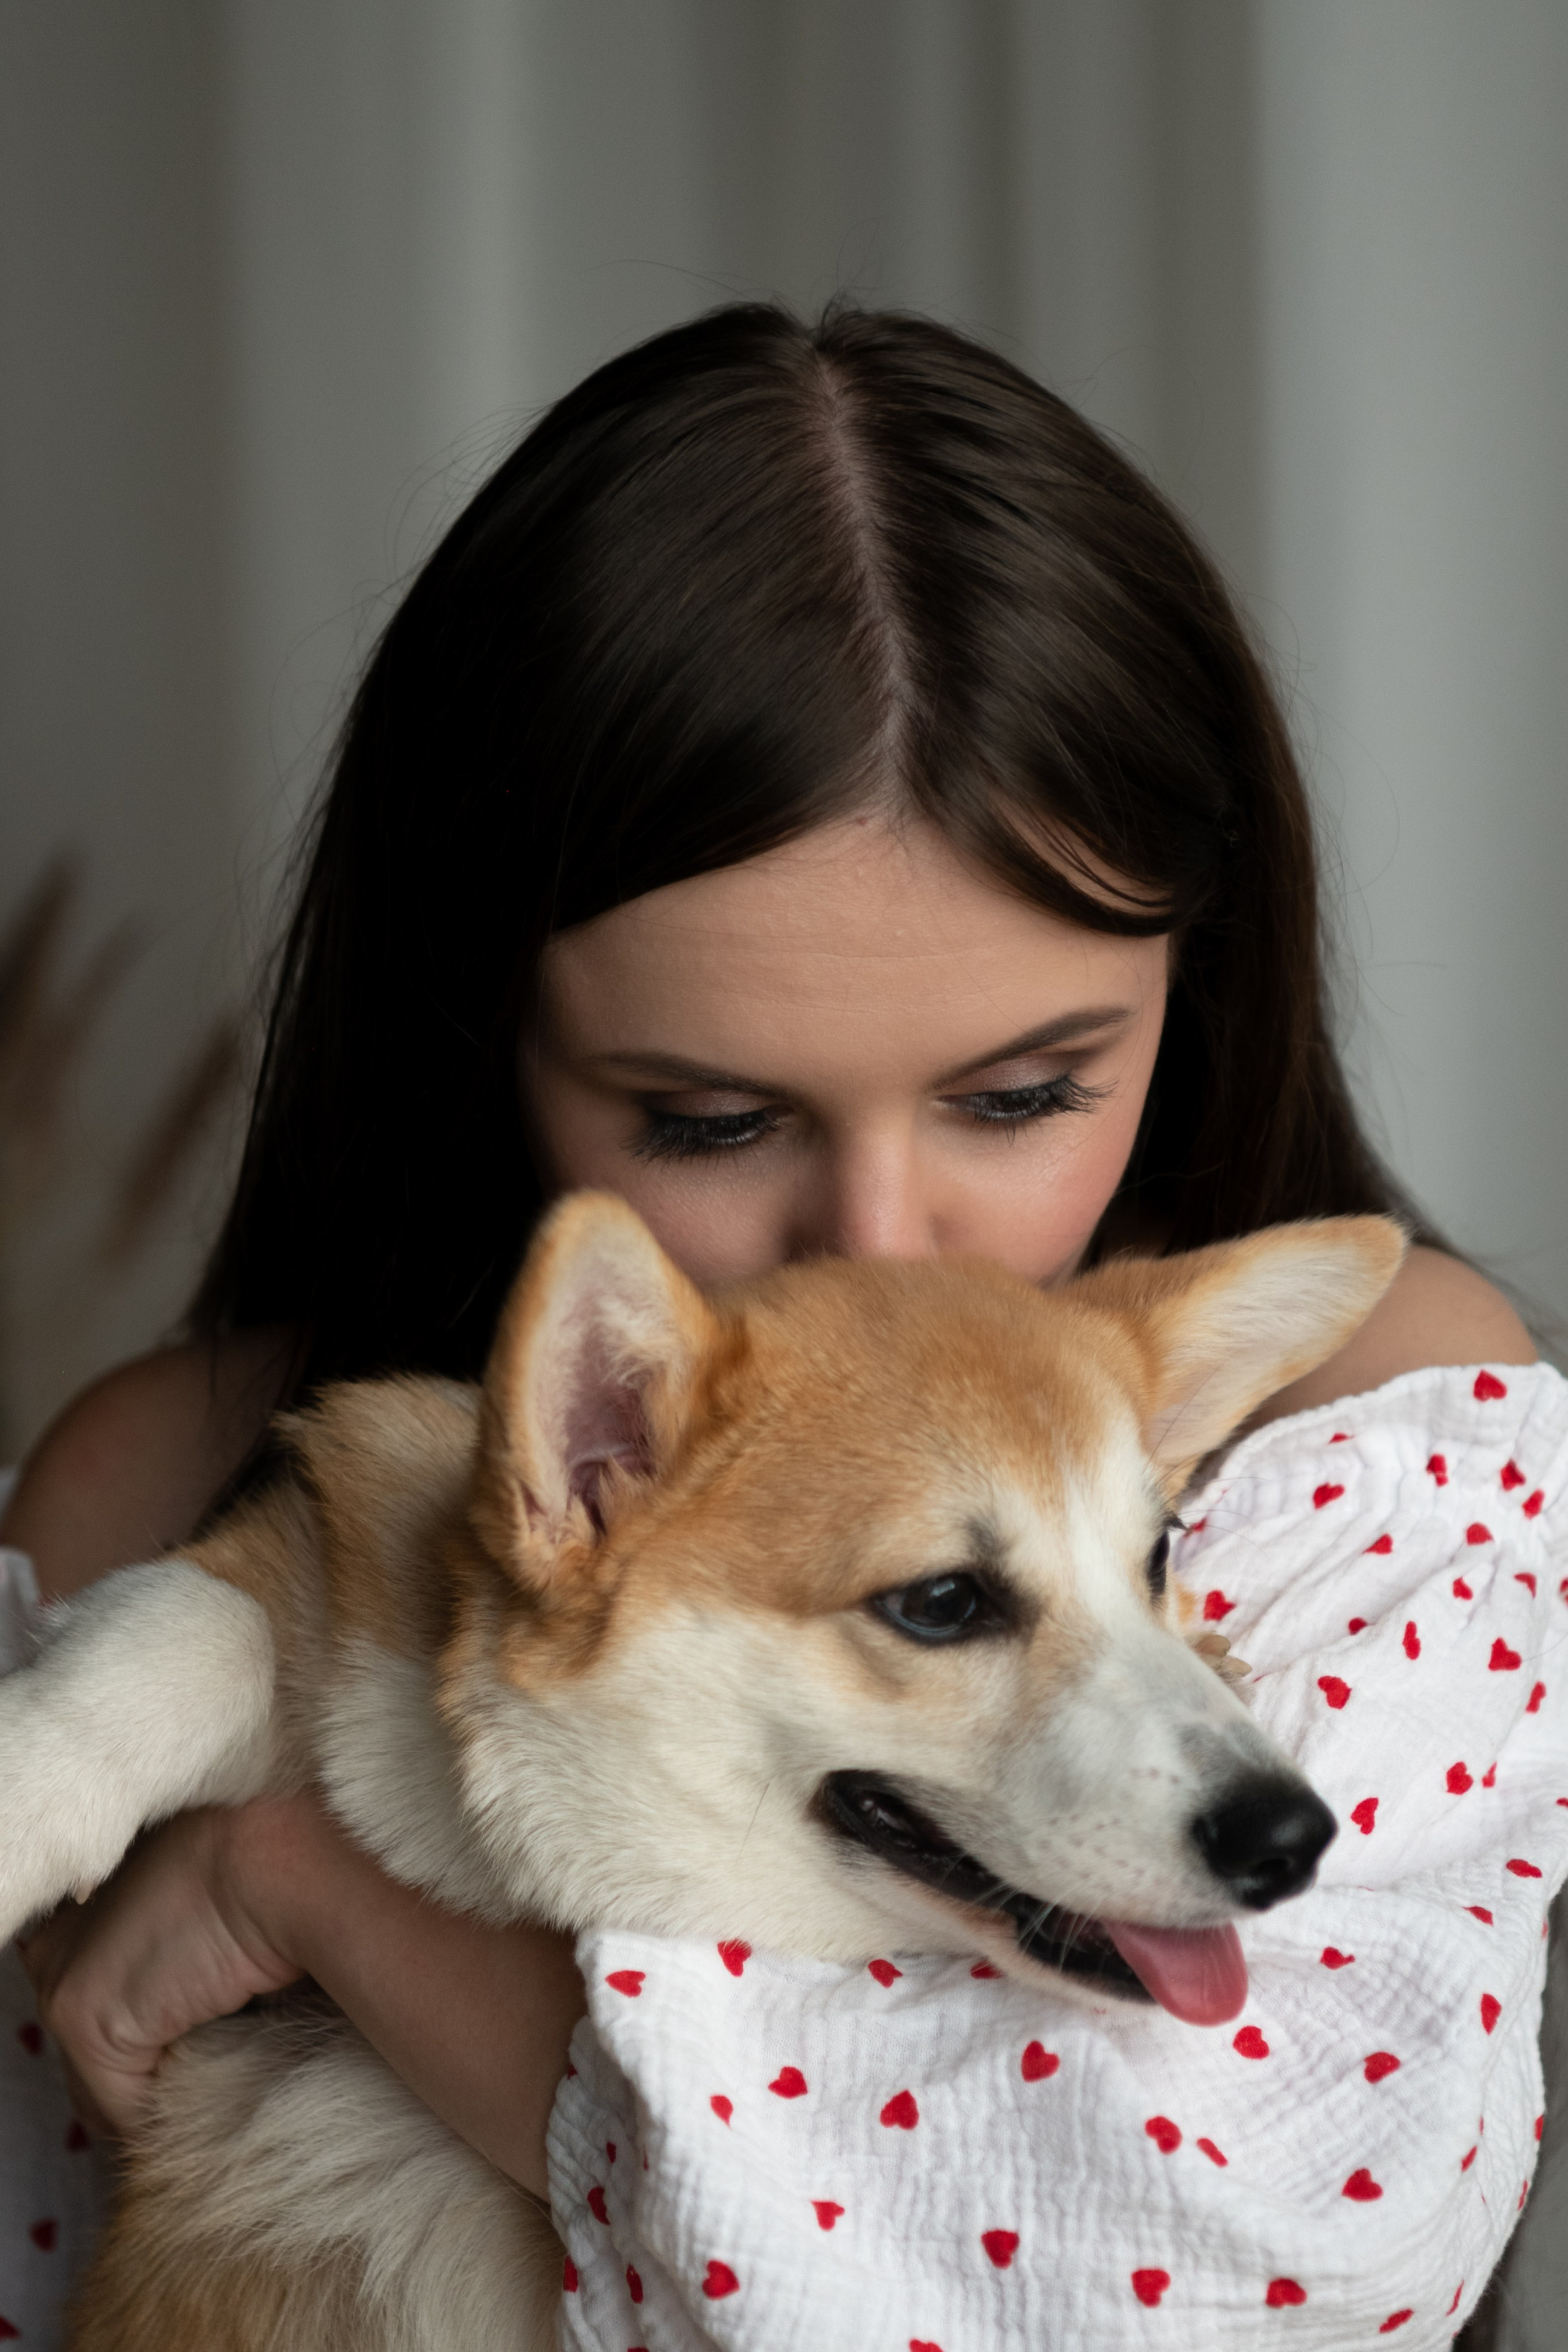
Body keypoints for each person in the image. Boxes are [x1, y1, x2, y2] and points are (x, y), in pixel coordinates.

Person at [0, 303, 1548, 2348]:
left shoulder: (1375, 1429)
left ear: (1196, 961)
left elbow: (1186, 2284)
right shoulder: (169, 1479)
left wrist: (315, 1888)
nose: (891, 1238)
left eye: (1020, 1094)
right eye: (711, 1119)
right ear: (489, 1022)